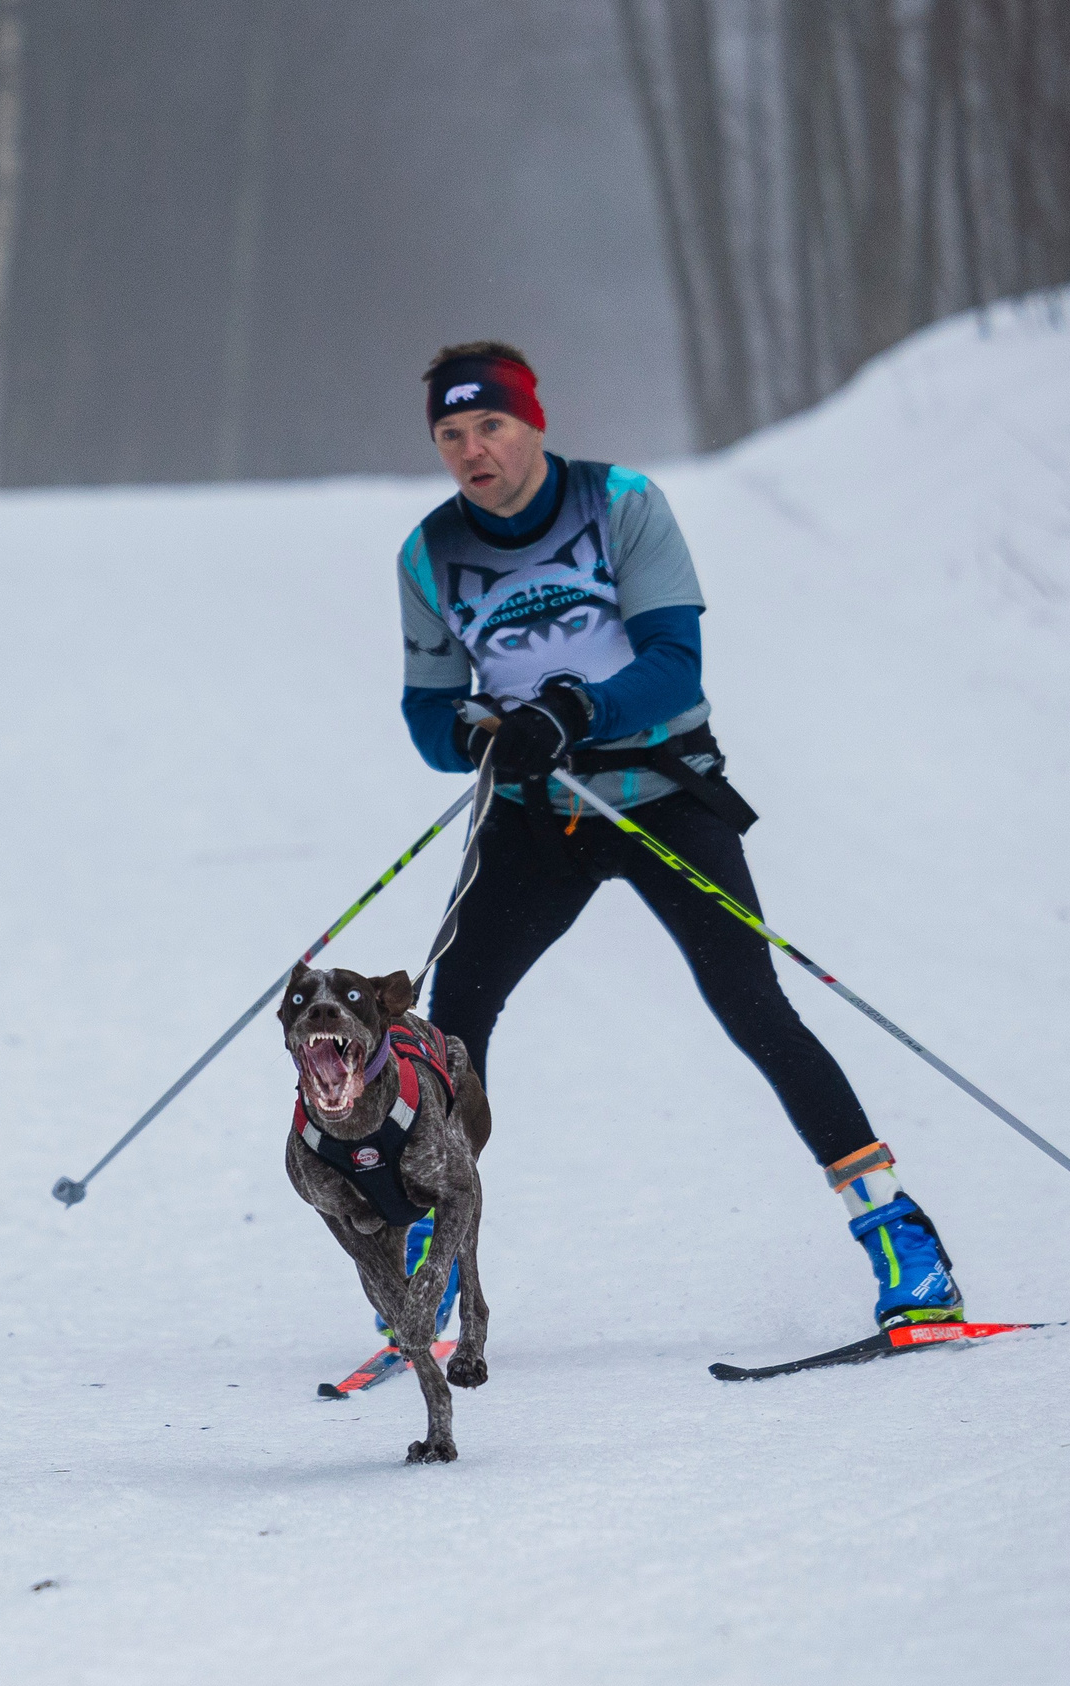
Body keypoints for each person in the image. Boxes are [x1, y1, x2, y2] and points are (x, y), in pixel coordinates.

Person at [395, 341, 963, 1330]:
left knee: (753, 1008)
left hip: (662, 793)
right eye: (451, 434)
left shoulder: (620, 503)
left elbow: (673, 664)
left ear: (533, 423)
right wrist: (479, 734)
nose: (472, 450)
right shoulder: (428, 551)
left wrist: (567, 710)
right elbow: (425, 719)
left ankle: (900, 1242)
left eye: (490, 425)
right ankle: (431, 1258)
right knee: (451, 1033)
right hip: (536, 817)